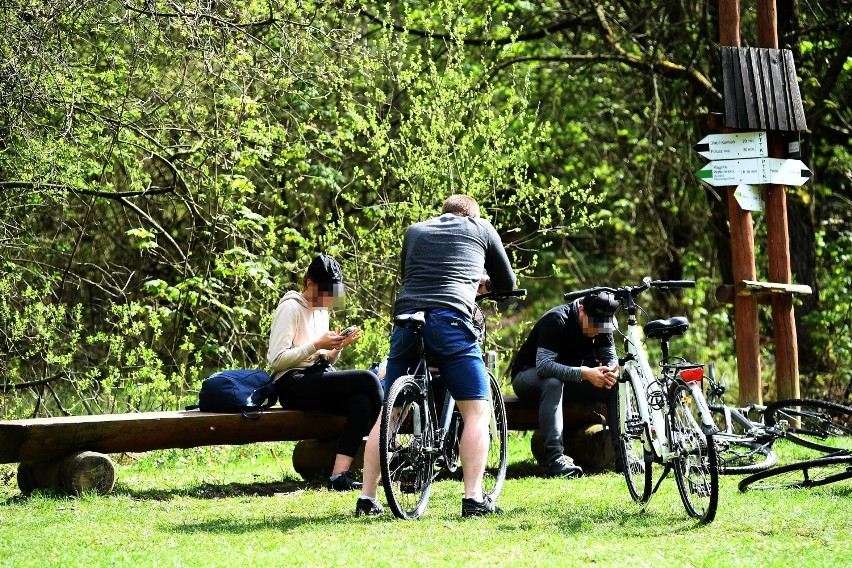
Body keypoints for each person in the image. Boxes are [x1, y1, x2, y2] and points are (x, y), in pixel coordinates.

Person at [355, 194, 517, 518]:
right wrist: (482, 284)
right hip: (451, 320)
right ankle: (473, 498)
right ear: (472, 215)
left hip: (406, 319)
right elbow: (507, 281)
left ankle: (366, 497)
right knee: (476, 411)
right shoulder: (481, 227)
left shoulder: (415, 231)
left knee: (389, 413)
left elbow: (409, 275)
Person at [267, 253, 383, 491]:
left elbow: (325, 359)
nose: (329, 299)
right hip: (291, 383)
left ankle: (338, 476)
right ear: (309, 283)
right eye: (325, 291)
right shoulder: (290, 308)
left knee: (360, 402)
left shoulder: (322, 310)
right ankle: (391, 446)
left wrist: (336, 347)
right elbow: (276, 362)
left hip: (316, 377)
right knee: (368, 379)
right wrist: (317, 345)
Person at [510, 291, 621, 477]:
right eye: (593, 324)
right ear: (581, 309)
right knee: (553, 382)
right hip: (529, 377)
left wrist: (610, 372)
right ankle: (556, 459)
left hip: (568, 381)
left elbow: (610, 357)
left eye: (603, 326)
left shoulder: (602, 324)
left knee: (614, 385)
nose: (597, 330)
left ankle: (623, 455)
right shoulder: (556, 319)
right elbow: (544, 367)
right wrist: (584, 373)